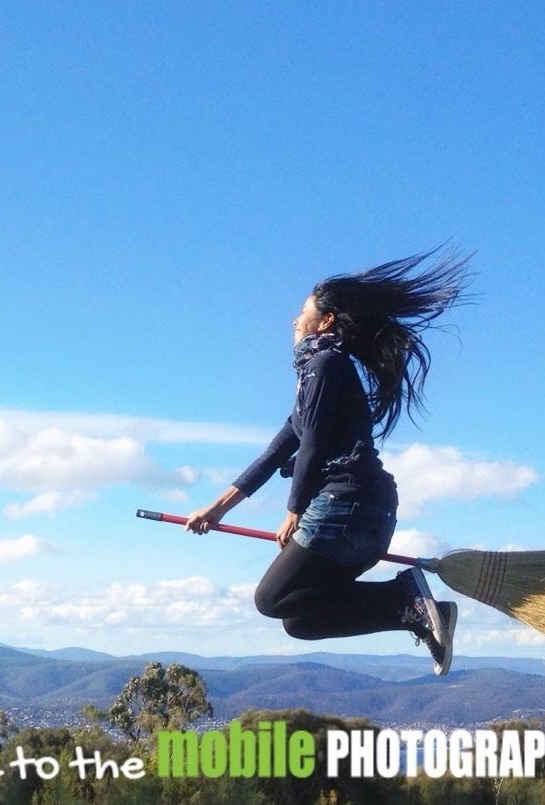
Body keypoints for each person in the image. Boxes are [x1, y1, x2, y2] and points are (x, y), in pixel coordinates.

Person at [185, 249, 473, 675]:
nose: (293, 320)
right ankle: (406, 608)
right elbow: (274, 454)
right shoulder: (316, 378)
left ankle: (403, 597)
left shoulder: (325, 365)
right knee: (300, 620)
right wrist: (216, 509)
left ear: (327, 322)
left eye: (303, 312)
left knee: (269, 599)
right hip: (366, 517)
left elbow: (315, 447)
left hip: (346, 510)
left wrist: (293, 511)